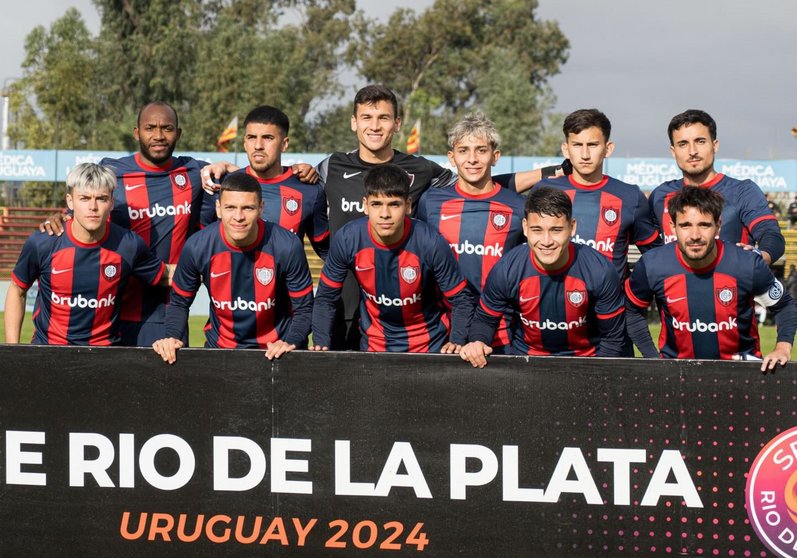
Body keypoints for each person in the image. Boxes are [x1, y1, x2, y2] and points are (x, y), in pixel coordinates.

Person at [312, 84, 565, 349]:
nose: (375, 126)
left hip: (441, 318)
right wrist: (298, 172)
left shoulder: (421, 170)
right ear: (354, 122)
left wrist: (546, 172)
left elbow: (474, 182)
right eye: (367, 117)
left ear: (396, 123)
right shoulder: (331, 166)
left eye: (383, 118)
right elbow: (307, 200)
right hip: (350, 302)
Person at [507, 108, 662, 357]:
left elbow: (657, 258)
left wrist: (633, 291)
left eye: (593, 144)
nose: (585, 154)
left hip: (609, 324)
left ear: (607, 148)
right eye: (577, 145)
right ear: (566, 149)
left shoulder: (630, 196)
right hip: (552, 319)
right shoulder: (545, 190)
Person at [626, 186, 797, 372]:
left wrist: (782, 348)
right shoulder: (652, 265)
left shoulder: (747, 264)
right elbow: (631, 310)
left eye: (704, 225)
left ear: (718, 224)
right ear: (672, 226)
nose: (695, 236)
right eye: (685, 225)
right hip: (677, 377)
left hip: (742, 376)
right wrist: (652, 358)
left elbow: (784, 305)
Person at [311, 164, 475, 353]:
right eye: (376, 204)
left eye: (394, 204)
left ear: (408, 205)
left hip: (429, 347)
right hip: (374, 348)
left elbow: (461, 300)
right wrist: (320, 343)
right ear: (365, 205)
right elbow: (325, 298)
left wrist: (457, 340)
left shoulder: (430, 242)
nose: (385, 214)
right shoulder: (348, 239)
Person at [152, 173, 314, 364]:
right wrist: (172, 337)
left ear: (261, 209)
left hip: (277, 352)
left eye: (248, 208)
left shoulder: (286, 245)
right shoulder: (198, 246)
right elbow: (179, 302)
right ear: (218, 209)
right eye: (230, 207)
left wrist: (290, 342)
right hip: (220, 352)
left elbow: (304, 308)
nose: (239, 217)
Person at [460, 187, 627, 368]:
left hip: (585, 363)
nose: (546, 241)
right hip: (526, 363)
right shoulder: (507, 269)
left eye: (556, 230)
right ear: (525, 227)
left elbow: (612, 339)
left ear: (572, 227)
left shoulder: (599, 271)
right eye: (537, 230)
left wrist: (596, 377)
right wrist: (477, 341)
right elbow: (485, 319)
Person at [5, 163, 169, 345]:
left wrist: (201, 264)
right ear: (70, 201)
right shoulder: (43, 242)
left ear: (112, 203)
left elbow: (165, 275)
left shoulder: (128, 245)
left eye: (101, 198)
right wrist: (14, 351)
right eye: (84, 198)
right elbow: (17, 289)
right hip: (48, 354)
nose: (93, 206)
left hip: (104, 358)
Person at [416, 113, 526, 351]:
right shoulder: (431, 202)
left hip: (501, 332)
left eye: (481, 150)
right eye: (463, 150)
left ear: (495, 157)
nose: (472, 159)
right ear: (452, 157)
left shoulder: (518, 206)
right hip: (444, 332)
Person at [649, 109, 784, 264]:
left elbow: (770, 235)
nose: (692, 151)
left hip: (731, 286)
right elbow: (649, 243)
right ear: (673, 151)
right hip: (676, 287)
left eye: (700, 141)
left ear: (715, 145)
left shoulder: (743, 191)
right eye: (683, 144)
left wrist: (759, 259)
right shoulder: (660, 196)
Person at [200, 105, 329, 258]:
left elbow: (327, 252)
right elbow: (201, 246)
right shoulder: (220, 186)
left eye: (268, 138)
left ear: (284, 144)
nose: (258, 146)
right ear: (244, 143)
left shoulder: (309, 190)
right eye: (251, 137)